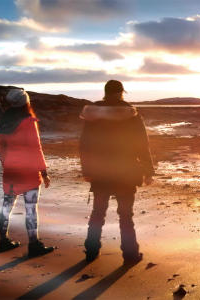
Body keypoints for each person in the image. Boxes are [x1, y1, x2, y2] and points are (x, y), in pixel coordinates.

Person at [79, 80, 155, 264]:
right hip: (125, 171)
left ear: (105, 93)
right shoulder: (132, 113)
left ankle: (91, 251)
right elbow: (141, 144)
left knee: (98, 212)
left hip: (100, 171)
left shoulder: (92, 114)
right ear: (122, 93)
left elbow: (84, 144)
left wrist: (87, 170)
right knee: (126, 215)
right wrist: (148, 170)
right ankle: (130, 255)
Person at [0, 89, 55, 257]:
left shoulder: (1, 122)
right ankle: (33, 244)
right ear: (25, 102)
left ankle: (3, 241)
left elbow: (1, 149)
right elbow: (36, 148)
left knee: (6, 205)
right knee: (30, 208)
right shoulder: (28, 121)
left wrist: (7, 164)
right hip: (28, 171)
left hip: (10, 170)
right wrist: (44, 173)